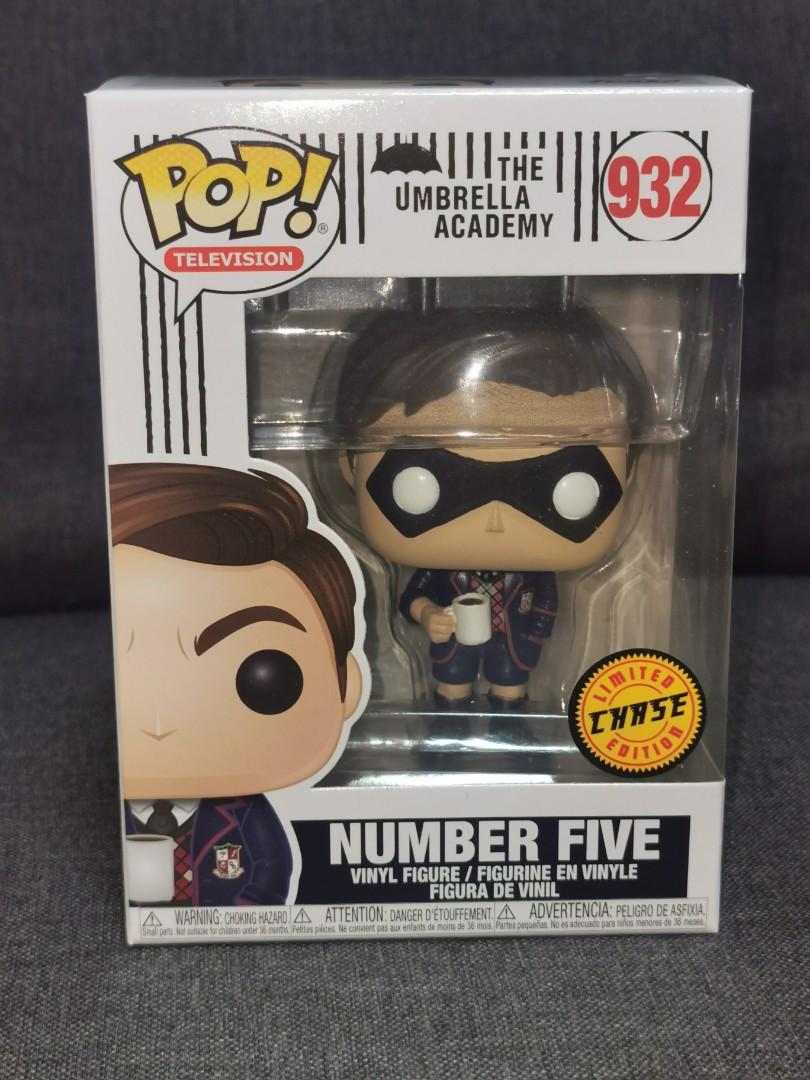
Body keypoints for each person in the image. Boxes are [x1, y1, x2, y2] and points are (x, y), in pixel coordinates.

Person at [336, 304, 645, 710]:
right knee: (451, 687)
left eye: (560, 483)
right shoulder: (441, 572)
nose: (496, 520)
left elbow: (546, 602)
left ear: (628, 469)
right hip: (454, 648)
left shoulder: (530, 575)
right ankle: (447, 728)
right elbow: (414, 596)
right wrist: (429, 615)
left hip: (513, 648)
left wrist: (536, 633)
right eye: (430, 480)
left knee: (510, 688)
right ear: (350, 465)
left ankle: (514, 727)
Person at [110, 463, 363, 904]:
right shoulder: (121, 816)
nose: (160, 724)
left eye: (264, 678)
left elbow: (271, 866)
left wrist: (249, 911)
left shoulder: (243, 812)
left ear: (348, 686)